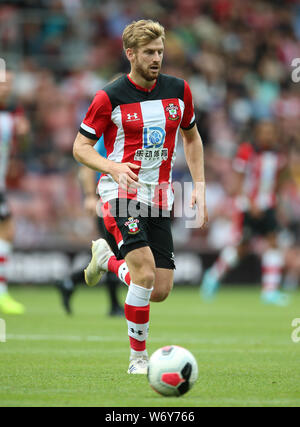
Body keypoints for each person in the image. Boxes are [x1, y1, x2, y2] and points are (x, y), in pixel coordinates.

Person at [73, 19, 208, 374]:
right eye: (149, 52)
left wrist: (199, 185)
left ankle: (107, 261)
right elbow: (80, 147)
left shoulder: (179, 90)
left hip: (160, 196)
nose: (156, 58)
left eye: (160, 52)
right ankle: (138, 359)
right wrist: (112, 167)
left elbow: (191, 138)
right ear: (130, 53)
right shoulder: (109, 96)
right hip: (121, 192)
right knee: (145, 275)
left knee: (159, 288)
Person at [201, 120, 289, 306]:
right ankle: (213, 276)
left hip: (268, 205)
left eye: (271, 132)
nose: (268, 136)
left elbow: (278, 181)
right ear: (257, 134)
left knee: (273, 243)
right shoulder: (247, 151)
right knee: (241, 248)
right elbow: (239, 179)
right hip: (248, 206)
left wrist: (277, 205)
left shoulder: (278, 154)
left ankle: (270, 291)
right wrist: (249, 202)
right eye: (264, 132)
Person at [57, 136, 124, 316]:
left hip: (120, 195)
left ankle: (69, 281)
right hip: (104, 194)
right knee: (113, 248)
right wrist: (89, 196)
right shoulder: (104, 134)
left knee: (113, 250)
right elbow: (86, 165)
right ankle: (114, 305)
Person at [0, 70, 29, 314]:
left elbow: (21, 141)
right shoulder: (8, 117)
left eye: (10, 82)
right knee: (6, 230)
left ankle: (2, 293)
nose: (7, 87)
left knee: (7, 231)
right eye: (3, 83)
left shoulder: (12, 111)